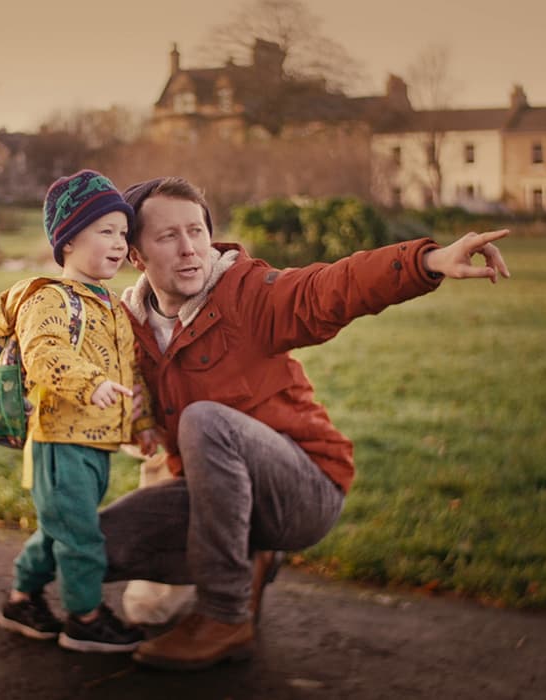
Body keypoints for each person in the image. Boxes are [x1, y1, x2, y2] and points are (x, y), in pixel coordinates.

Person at [99, 176, 510, 671]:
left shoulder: (247, 294)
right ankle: (247, 559)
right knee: (90, 544)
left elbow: (331, 287)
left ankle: (225, 616)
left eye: (197, 232)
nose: (189, 250)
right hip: (213, 495)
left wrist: (425, 261)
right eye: (168, 237)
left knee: (205, 421)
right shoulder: (125, 326)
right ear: (136, 256)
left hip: (303, 490)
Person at [0, 169, 157, 653]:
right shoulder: (49, 296)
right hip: (58, 440)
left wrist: (142, 423)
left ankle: (21, 600)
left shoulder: (110, 305)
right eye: (104, 231)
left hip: (95, 444)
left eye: (123, 233)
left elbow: (130, 371)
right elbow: (45, 352)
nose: (117, 243)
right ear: (66, 241)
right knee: (81, 537)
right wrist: (90, 383)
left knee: (57, 530)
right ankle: (84, 618)